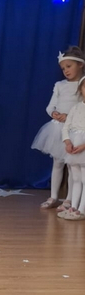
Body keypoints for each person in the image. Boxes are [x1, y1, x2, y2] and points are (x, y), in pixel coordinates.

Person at [32, 47, 84, 211]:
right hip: (57, 129)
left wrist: (69, 116)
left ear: (80, 65)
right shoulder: (60, 85)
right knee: (57, 163)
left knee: (72, 166)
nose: (66, 70)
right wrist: (54, 113)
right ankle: (54, 196)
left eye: (69, 66)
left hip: (74, 129)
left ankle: (69, 199)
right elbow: (50, 106)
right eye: (63, 68)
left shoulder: (82, 85)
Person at [59, 76, 85, 220]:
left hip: (83, 149)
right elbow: (66, 128)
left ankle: (82, 209)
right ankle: (73, 207)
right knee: (75, 178)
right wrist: (68, 142)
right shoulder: (75, 108)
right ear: (80, 89)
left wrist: (83, 146)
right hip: (73, 149)